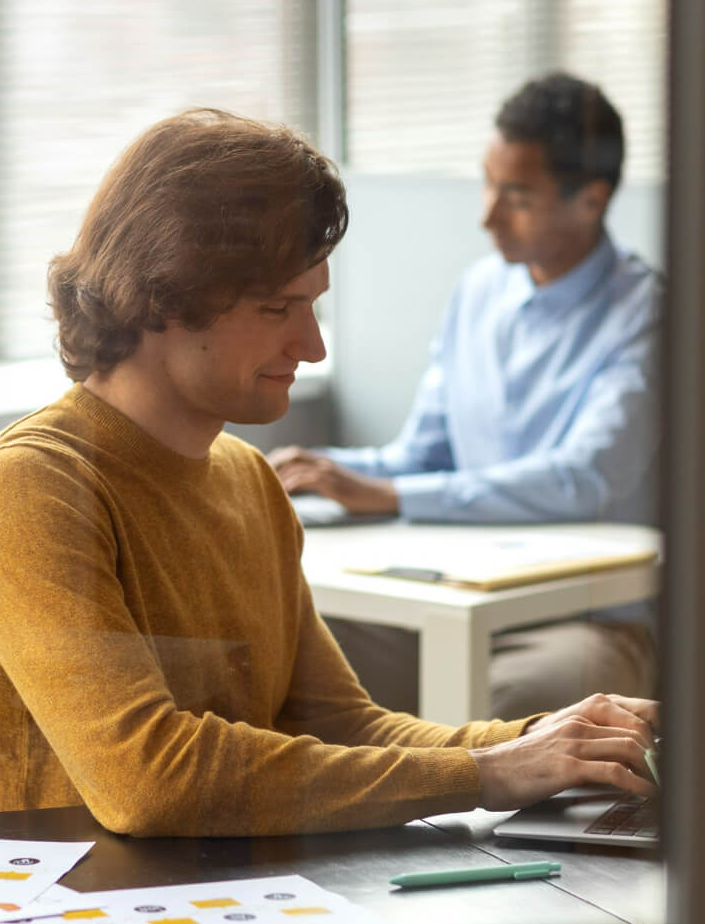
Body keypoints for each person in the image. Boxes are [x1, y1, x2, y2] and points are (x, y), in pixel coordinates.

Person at [0, 107, 657, 838]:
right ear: (162, 294)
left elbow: (343, 727)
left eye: (312, 305)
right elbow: (148, 780)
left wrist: (543, 744)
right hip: (95, 897)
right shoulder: (27, 491)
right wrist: (488, 772)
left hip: (242, 888)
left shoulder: (246, 479)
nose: (312, 346)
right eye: (278, 307)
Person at [270, 73, 663, 720]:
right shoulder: (480, 291)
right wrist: (317, 471)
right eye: (488, 183)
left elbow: (585, 479)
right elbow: (422, 456)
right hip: (453, 597)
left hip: (579, 618)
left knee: (516, 704)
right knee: (283, 652)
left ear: (592, 200)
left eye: (517, 196)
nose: (487, 215)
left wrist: (391, 495)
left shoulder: (646, 312)